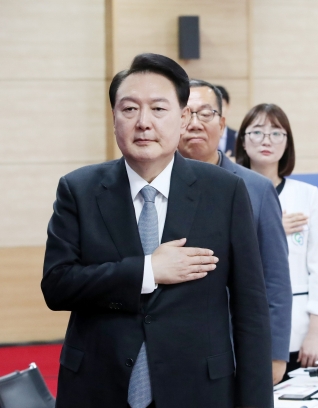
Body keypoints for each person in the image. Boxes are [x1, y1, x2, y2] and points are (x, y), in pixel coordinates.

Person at [41, 54, 273, 408]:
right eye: (130, 109)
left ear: (182, 119)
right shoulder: (79, 189)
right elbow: (57, 286)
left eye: (158, 109)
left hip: (199, 391)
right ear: (114, 118)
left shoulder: (224, 191)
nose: (143, 123)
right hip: (98, 388)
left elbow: (251, 309)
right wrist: (148, 271)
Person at [177, 79, 292, 385]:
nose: (195, 123)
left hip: (233, 346)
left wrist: (275, 354)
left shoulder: (257, 189)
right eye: (186, 114)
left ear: (223, 123)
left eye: (206, 113)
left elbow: (276, 280)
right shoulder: (155, 186)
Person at [235, 103, 318, 380]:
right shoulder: (231, 190)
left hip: (300, 326)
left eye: (277, 133)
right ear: (242, 140)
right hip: (243, 323)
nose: (267, 140)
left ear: (287, 143)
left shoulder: (307, 195)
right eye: (257, 132)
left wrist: (316, 331)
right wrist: (270, 230)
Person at [215, 84, 238, 156]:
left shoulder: (238, 137)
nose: (218, 110)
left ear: (228, 107)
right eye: (214, 105)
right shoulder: (202, 137)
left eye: (221, 105)